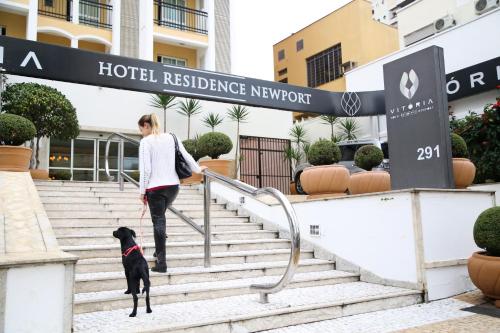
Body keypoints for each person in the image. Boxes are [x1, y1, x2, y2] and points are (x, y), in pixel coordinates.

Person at [138, 113, 205, 273]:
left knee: (159, 222)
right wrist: (197, 169)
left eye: (141, 129)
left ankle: (161, 264)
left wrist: (142, 192)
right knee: (160, 220)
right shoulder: (172, 137)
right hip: (173, 187)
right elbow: (186, 155)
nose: (141, 133)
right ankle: (158, 248)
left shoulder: (145, 142)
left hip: (155, 189)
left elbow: (146, 170)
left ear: (146, 126)